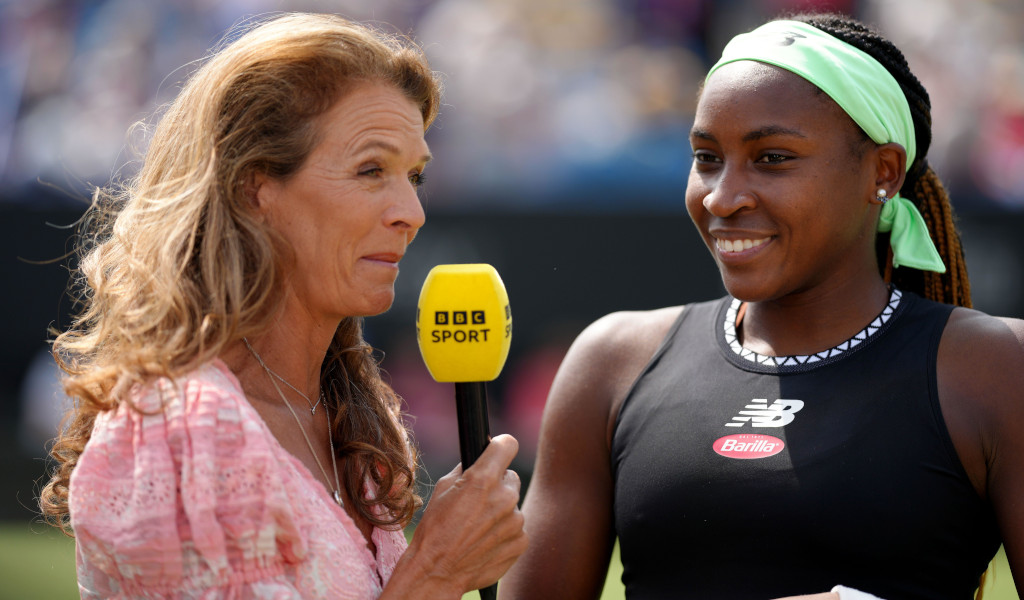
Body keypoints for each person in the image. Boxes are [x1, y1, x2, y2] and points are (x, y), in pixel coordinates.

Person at [500, 12, 1023, 600]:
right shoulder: (610, 361)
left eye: (772, 157)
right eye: (706, 157)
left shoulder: (997, 367)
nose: (723, 196)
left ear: (883, 171)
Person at [38, 13, 527, 599]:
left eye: (415, 176)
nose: (411, 213)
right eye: (371, 169)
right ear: (255, 188)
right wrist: (436, 574)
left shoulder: (347, 420)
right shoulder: (183, 426)